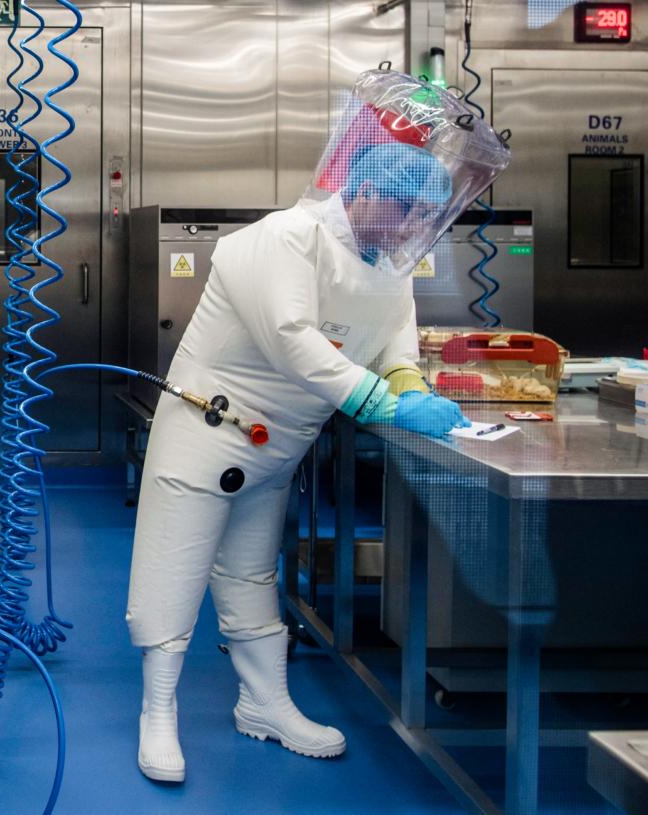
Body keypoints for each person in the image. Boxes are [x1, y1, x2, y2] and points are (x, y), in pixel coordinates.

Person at [127, 69, 511, 782]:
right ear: (362, 191)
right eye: (400, 211)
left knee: (249, 573)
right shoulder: (280, 240)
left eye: (419, 217)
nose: (408, 230)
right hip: (205, 433)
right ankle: (157, 714)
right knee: (172, 570)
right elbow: (293, 341)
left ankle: (263, 702)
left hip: (277, 448)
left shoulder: (389, 262)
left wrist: (407, 384)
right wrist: (382, 403)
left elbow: (395, 340)